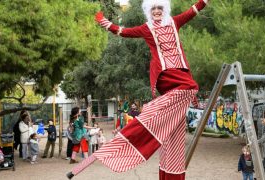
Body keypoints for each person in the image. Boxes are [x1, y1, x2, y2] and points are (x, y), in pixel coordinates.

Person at [67, 0, 209, 179]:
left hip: (181, 73)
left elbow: (193, 10)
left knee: (175, 127)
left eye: (160, 8)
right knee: (192, 87)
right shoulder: (146, 28)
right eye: (153, 8)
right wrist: (104, 22)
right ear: (149, 11)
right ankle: (151, 109)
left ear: (165, 10)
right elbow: (122, 31)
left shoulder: (174, 21)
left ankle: (170, 172)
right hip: (165, 75)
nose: (157, 11)